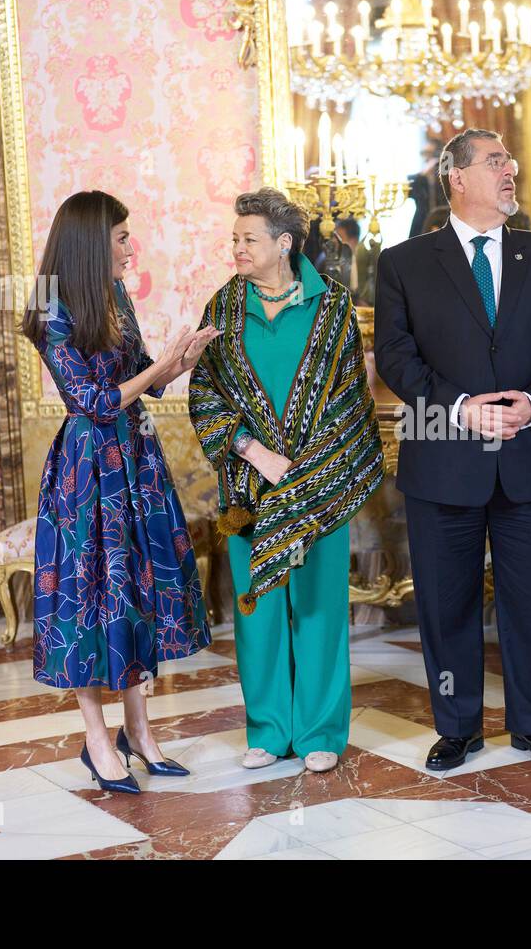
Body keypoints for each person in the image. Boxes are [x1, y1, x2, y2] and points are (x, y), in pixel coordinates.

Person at [375, 128, 531, 771]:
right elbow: (395, 355)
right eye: (495, 161)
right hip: (443, 459)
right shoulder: (405, 263)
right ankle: (459, 727)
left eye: (510, 161)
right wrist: (460, 407)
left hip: (526, 456)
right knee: (447, 604)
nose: (510, 170)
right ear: (457, 178)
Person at [22, 190, 219, 794]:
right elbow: (90, 401)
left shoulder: (116, 297)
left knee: (134, 592)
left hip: (135, 461)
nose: (132, 247)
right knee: (88, 601)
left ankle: (140, 730)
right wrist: (154, 374)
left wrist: (179, 363)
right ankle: (97, 739)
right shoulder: (49, 308)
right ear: (90, 244)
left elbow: (145, 386)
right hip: (88, 472)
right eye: (122, 238)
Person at [189, 187, 384, 774]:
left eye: (249, 239)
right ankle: (268, 730)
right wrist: (256, 453)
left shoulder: (332, 307)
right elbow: (204, 394)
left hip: (319, 484)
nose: (237, 248)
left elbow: (351, 399)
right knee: (256, 606)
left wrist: (307, 470)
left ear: (284, 244)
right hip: (244, 491)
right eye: (234, 238)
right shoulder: (222, 308)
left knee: (320, 606)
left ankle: (321, 731)